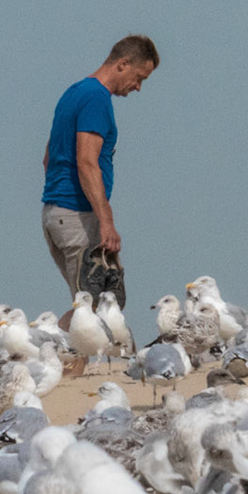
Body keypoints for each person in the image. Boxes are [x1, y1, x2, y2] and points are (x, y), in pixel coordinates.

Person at [41, 34, 159, 329]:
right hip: (77, 216)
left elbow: (48, 158)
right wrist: (105, 220)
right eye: (139, 77)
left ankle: (67, 362)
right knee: (95, 306)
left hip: (57, 213)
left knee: (89, 303)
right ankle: (51, 350)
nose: (138, 87)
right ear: (123, 64)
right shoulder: (96, 98)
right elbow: (87, 162)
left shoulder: (74, 92)